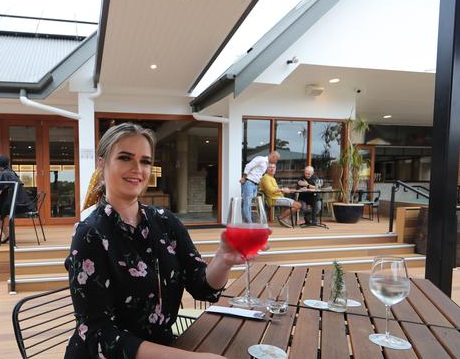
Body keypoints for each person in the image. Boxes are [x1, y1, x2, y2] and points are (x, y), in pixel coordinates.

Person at [64, 123, 250, 359]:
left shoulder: (165, 221)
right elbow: (98, 335)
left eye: (145, 161)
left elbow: (201, 286)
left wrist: (223, 259)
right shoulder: (90, 234)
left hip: (164, 348)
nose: (137, 169)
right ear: (101, 164)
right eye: (125, 158)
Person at [0, 154, 33, 243]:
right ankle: (7, 234)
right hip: (22, 203)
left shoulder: (3, 174)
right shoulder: (10, 172)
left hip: (14, 205)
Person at [240, 151, 280, 223]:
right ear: (273, 156)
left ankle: (247, 223)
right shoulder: (261, 159)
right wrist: (244, 178)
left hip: (255, 185)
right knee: (247, 204)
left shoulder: (266, 164)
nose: (276, 162)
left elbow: (258, 174)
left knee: (249, 205)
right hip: (249, 183)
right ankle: (249, 224)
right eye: (276, 160)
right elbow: (248, 166)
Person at [260, 163, 302, 228]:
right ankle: (281, 218)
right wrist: (282, 189)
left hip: (277, 198)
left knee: (295, 203)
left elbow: (275, 190)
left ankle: (285, 219)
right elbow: (270, 190)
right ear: (266, 169)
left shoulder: (271, 178)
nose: (272, 169)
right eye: (270, 167)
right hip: (273, 199)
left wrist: (286, 190)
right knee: (298, 205)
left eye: (274, 167)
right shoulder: (266, 178)